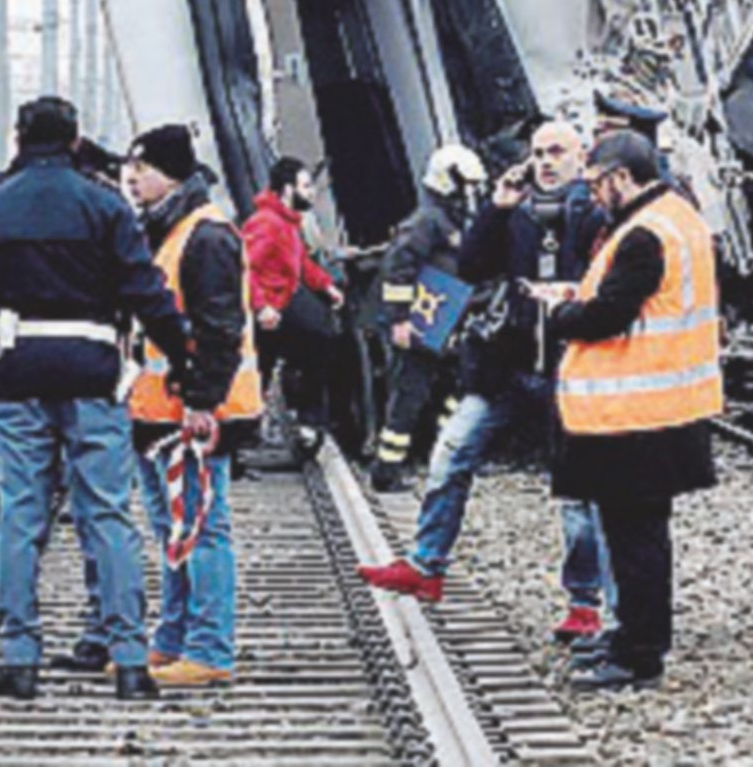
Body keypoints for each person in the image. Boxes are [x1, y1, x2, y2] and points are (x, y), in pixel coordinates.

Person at [0, 96, 191, 702]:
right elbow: (147, 293)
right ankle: (129, 659)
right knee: (106, 512)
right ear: (76, 140)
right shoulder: (105, 205)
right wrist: (184, 361)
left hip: (18, 372)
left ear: (19, 136)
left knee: (20, 511)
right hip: (93, 370)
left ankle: (20, 658)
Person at [359, 122, 612, 633]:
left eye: (556, 152)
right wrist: (496, 210)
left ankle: (585, 602)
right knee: (451, 452)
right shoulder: (515, 212)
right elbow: (472, 266)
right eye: (538, 152)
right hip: (511, 362)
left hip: (571, 366)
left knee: (577, 491)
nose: (544, 161)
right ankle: (425, 564)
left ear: (579, 157)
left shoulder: (596, 213)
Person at [543, 129, 723, 690]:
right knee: (642, 536)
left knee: (635, 540)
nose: (594, 195)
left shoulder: (643, 235)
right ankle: (632, 636)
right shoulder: (679, 216)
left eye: (598, 183)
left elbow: (609, 315)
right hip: (664, 408)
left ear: (621, 177)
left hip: (637, 413)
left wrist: (562, 314)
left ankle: (639, 653)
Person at [125, 124, 262, 687]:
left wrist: (202, 401)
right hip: (160, 410)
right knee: (173, 528)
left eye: (143, 167)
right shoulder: (172, 229)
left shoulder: (204, 236)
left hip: (195, 413)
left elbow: (219, 326)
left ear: (173, 173)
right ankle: (172, 639)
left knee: (202, 529)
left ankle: (209, 648)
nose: (132, 178)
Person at [370, 144, 487, 492]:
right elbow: (398, 267)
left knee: (456, 386)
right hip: (423, 323)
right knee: (410, 395)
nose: (471, 193)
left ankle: (445, 455)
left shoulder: (448, 219)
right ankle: (385, 471)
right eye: (466, 184)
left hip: (443, 321)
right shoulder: (426, 221)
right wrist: (399, 319)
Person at [242, 157, 343, 454]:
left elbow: (299, 263)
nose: (312, 193)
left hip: (279, 306)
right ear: (288, 189)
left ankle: (300, 421)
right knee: (266, 366)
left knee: (312, 343)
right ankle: (247, 436)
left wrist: (326, 285)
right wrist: (261, 307)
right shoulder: (266, 224)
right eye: (306, 186)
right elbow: (245, 268)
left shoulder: (285, 223)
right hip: (271, 311)